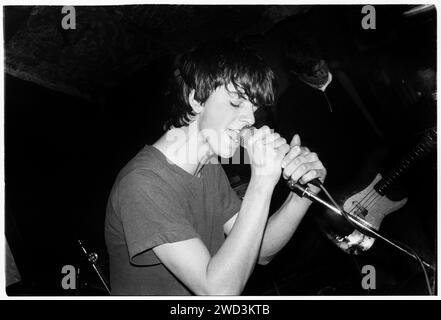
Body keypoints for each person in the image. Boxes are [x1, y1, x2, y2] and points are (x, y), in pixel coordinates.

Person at [104, 40, 327, 295]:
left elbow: (260, 250)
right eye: (236, 103)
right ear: (196, 99)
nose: (251, 119)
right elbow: (219, 292)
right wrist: (262, 181)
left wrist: (303, 194)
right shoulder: (143, 184)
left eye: (254, 107)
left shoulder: (208, 168)